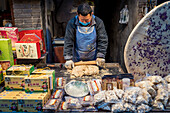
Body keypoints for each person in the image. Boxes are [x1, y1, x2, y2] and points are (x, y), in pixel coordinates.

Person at [64, 3, 108, 69]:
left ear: (91, 14)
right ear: (77, 14)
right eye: (82, 20)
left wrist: (101, 56)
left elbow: (103, 40)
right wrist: (68, 59)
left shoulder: (98, 22)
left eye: (87, 20)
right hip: (77, 58)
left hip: (94, 58)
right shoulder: (72, 23)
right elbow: (68, 41)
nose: (84, 22)